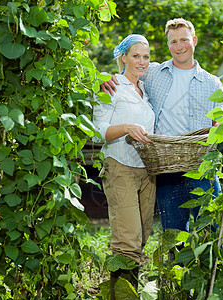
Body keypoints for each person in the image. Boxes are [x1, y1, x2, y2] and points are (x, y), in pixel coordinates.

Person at [101, 18, 223, 237]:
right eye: (174, 41)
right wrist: (103, 78)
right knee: (173, 235)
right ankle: (174, 269)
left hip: (202, 166)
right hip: (166, 168)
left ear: (194, 40)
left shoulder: (213, 83)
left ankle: (210, 270)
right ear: (168, 45)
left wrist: (221, 127)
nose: (179, 46)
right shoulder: (154, 73)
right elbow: (128, 71)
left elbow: (218, 123)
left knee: (213, 230)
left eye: (184, 40)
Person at [92, 34, 156, 296]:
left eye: (146, 56)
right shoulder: (111, 86)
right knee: (127, 240)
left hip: (147, 171)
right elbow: (98, 131)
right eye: (135, 56)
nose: (141, 61)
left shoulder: (146, 88)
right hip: (120, 166)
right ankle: (120, 294)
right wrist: (127, 128)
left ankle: (125, 291)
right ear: (124, 57)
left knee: (140, 238)